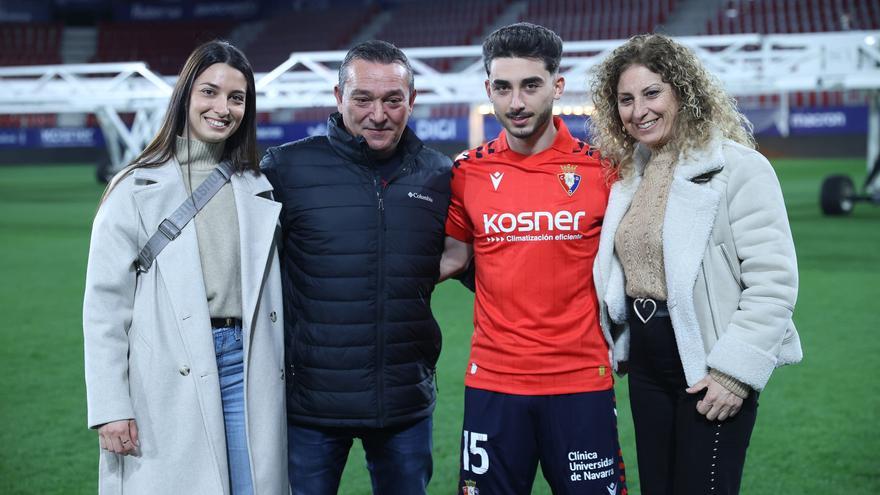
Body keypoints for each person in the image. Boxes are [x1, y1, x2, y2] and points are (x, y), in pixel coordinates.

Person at [589, 33, 803, 495]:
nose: (638, 110)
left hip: (709, 361)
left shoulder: (740, 168)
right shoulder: (629, 176)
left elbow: (774, 283)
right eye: (625, 99)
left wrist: (734, 373)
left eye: (651, 93)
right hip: (647, 362)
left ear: (683, 93)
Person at [82, 40, 287, 494]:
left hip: (246, 363)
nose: (223, 108)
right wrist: (111, 405)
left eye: (237, 98)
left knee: (253, 485)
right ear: (185, 97)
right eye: (210, 92)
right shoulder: (133, 187)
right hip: (165, 369)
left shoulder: (259, 185)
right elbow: (104, 308)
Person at [439, 23, 627, 495]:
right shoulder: (467, 172)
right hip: (494, 382)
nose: (516, 103)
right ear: (488, 89)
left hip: (581, 379)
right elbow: (450, 258)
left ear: (557, 86)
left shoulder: (603, 170)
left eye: (530, 86)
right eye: (502, 88)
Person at [260, 40, 452, 495]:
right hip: (311, 408)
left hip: (404, 400)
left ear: (412, 100)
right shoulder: (285, 169)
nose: (378, 114)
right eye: (363, 98)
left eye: (393, 100)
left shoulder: (439, 174)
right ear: (338, 97)